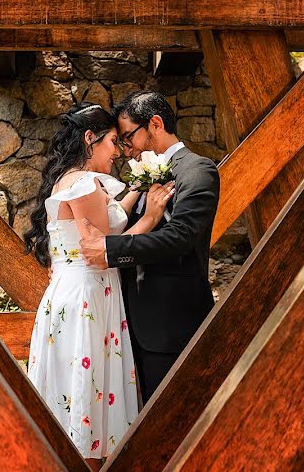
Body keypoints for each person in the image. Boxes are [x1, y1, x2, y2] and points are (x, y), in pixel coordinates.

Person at [23, 102, 175, 470]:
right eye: (111, 141)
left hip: (81, 292)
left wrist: (138, 187)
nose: (118, 151)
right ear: (90, 139)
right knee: (87, 391)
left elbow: (111, 218)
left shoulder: (74, 181)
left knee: (82, 388)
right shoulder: (83, 184)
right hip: (87, 298)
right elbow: (106, 247)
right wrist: (153, 217)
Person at [79, 91, 219, 403]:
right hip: (130, 326)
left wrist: (111, 250)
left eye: (128, 138)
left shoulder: (197, 170)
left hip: (171, 326)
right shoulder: (141, 178)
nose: (126, 151)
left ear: (154, 124)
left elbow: (181, 236)